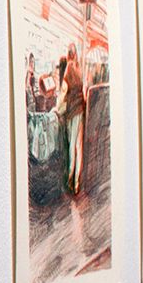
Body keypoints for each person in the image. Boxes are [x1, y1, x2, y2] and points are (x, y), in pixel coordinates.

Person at [61, 43, 86, 194]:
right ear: (75, 54)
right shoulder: (78, 69)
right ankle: (77, 182)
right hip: (80, 110)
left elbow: (64, 91)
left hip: (72, 111)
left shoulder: (69, 68)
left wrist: (58, 107)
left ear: (68, 54)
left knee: (71, 145)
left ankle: (70, 178)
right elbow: (82, 90)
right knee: (79, 146)